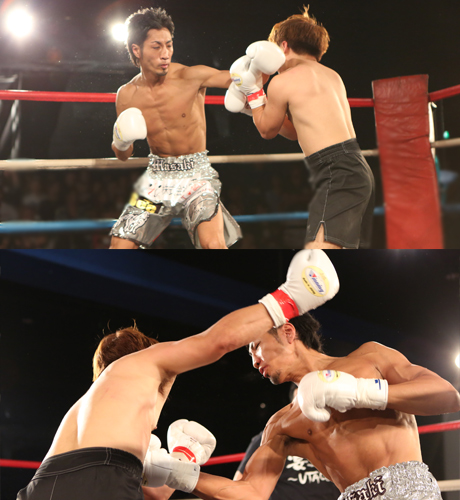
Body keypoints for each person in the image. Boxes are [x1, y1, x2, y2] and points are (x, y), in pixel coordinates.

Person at [16, 249, 340, 500]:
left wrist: (182, 458)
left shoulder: (94, 412)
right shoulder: (143, 363)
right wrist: (290, 299)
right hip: (99, 481)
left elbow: (154, 493)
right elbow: (217, 342)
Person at [152, 307, 460, 500]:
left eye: (256, 346)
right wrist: (178, 473)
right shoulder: (282, 424)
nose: (254, 360)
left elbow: (447, 395)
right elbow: (251, 493)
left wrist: (360, 392)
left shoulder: (370, 358)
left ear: (288, 332)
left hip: (409, 492)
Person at [227, 7, 375, 249]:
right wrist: (254, 107)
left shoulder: (283, 81)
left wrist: (253, 92)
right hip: (356, 169)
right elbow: (295, 131)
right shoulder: (333, 76)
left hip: (336, 171)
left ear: (283, 47)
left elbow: (266, 130)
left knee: (317, 257)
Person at [109, 7, 241, 249]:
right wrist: (121, 140)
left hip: (197, 177)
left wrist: (258, 70)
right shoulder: (126, 95)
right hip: (156, 182)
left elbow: (237, 79)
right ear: (136, 50)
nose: (165, 54)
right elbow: (123, 155)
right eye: (156, 47)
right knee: (120, 245)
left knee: (213, 245)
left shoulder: (190, 76)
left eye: (169, 45)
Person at [234, 384, 340, 500]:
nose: (304, 409)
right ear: (292, 407)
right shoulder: (271, 436)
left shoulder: (337, 435)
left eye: (311, 401)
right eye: (300, 403)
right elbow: (241, 484)